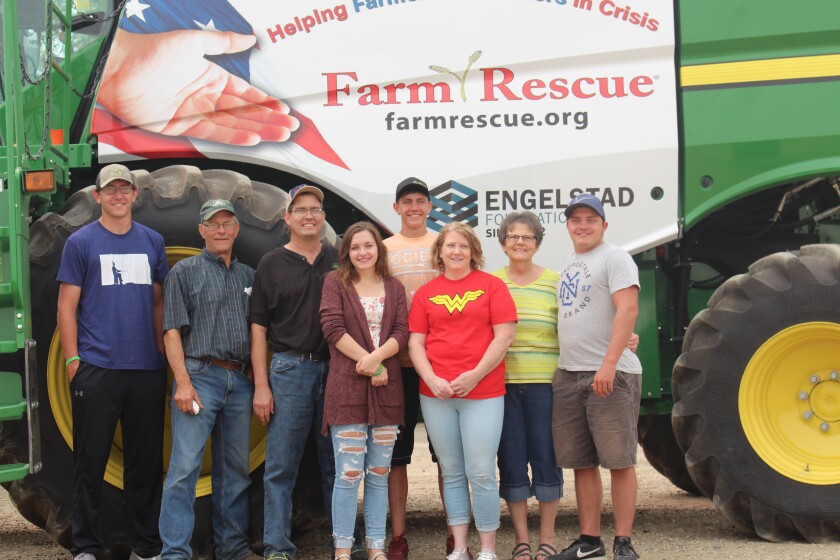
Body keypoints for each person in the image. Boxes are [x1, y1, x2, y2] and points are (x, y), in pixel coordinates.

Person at [57, 164, 169, 560]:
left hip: (146, 371)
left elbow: (158, 304)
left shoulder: (153, 241)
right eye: (111, 190)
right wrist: (73, 360)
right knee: (90, 463)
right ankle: (86, 546)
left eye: (125, 189)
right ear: (97, 196)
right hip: (97, 369)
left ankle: (145, 546)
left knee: (145, 465)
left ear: (135, 195)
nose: (118, 196)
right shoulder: (81, 243)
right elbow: (66, 307)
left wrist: (160, 355)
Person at [408, 222, 517, 560]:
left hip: (482, 393)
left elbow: (504, 336)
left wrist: (474, 375)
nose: (456, 251)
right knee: (452, 471)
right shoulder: (426, 293)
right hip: (437, 395)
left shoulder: (492, 286)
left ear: (473, 252)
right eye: (450, 246)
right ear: (439, 252)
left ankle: (487, 549)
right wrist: (431, 379)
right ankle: (458, 548)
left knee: (481, 470)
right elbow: (415, 343)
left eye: (463, 246)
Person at [159, 199, 260, 560]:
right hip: (200, 376)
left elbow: (259, 332)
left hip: (240, 380)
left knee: (235, 471)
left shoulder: (249, 276)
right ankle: (174, 552)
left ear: (236, 230)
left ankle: (232, 548)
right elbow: (171, 330)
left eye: (227, 224)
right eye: (213, 224)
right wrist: (183, 383)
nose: (221, 230)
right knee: (184, 469)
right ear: (201, 230)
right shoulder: (184, 272)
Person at [548, 194, 643, 560]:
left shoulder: (615, 257)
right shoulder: (572, 261)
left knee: (619, 461)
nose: (583, 225)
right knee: (582, 463)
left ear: (604, 224)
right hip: (570, 374)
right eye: (576, 219)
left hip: (609, 375)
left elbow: (628, 308)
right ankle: (590, 541)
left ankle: (623, 541)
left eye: (591, 219)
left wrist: (609, 363)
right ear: (568, 225)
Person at [250, 185, 339, 560]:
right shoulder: (271, 263)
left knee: (335, 462)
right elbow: (258, 328)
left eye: (314, 209)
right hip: (289, 369)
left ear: (322, 217)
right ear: (287, 218)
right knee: (281, 465)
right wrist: (261, 386)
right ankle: (277, 546)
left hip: (335, 370)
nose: (308, 215)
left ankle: (344, 542)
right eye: (300, 210)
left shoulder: (336, 258)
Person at [320, 222, 409, 560]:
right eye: (355, 247)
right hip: (346, 389)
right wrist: (372, 362)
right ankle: (343, 549)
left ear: (378, 249)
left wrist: (378, 359)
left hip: (387, 392)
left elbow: (401, 331)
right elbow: (332, 328)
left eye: (368, 246)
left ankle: (375, 548)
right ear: (347, 253)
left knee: (379, 473)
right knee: (349, 473)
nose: (362, 252)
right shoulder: (334, 283)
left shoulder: (394, 287)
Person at [382, 177, 454, 560]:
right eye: (406, 201)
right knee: (397, 455)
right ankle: (398, 536)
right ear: (396, 208)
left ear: (429, 207)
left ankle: (454, 533)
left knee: (446, 454)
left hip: (439, 362)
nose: (414, 207)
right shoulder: (384, 249)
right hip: (396, 365)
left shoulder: (444, 244)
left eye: (420, 201)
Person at [492, 212, 564, 560]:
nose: (520, 242)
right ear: (503, 241)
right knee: (512, 460)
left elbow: (576, 325)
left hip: (546, 385)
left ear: (537, 243)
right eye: (513, 236)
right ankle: (522, 540)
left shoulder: (555, 281)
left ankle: (547, 539)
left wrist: (623, 339)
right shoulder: (490, 283)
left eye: (528, 237)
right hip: (501, 386)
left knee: (547, 458)